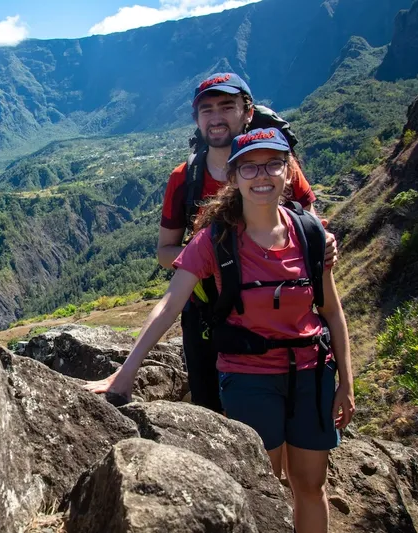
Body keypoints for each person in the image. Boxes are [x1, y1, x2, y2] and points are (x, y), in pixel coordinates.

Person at [84, 128, 355, 533]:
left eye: (273, 164)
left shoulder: (310, 235)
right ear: (233, 176)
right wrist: (125, 374)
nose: (262, 175)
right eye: (249, 167)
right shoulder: (215, 240)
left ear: (288, 171)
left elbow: (331, 310)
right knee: (265, 487)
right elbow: (169, 305)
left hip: (312, 373)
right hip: (249, 376)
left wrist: (346, 383)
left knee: (311, 485)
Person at [157, 72, 336, 413]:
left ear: (248, 112)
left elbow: (311, 232)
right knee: (211, 414)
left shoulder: (280, 169)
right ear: (197, 119)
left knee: (286, 415)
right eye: (207, 109)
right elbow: (165, 252)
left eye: (227, 106)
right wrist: (217, 257)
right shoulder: (184, 179)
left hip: (278, 318)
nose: (216, 117)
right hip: (207, 317)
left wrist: (325, 244)